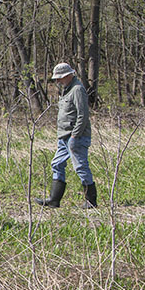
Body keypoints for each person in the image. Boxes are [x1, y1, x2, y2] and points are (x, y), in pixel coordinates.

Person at [37, 63, 97, 208]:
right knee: (56, 164)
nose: (57, 81)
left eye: (60, 78)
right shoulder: (67, 90)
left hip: (76, 137)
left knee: (81, 167)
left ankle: (91, 201)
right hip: (64, 137)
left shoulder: (77, 90)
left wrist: (75, 137)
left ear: (69, 75)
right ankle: (54, 199)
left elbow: (83, 115)